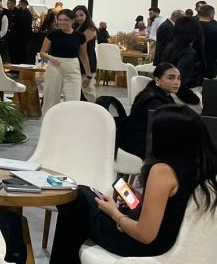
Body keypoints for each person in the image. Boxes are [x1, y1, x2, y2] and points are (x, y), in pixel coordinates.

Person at [50, 105, 217, 263]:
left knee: (77, 199)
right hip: (165, 242)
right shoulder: (201, 166)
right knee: (84, 196)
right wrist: (143, 202)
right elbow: (173, 209)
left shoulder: (163, 171)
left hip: (143, 247)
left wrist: (114, 213)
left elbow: (145, 234)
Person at [117, 63, 179, 159]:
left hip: (148, 140)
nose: (177, 82)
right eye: (171, 78)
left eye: (178, 78)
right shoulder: (153, 100)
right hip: (142, 146)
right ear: (157, 80)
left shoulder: (161, 95)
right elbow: (164, 126)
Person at [40, 9, 92, 114]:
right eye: (59, 20)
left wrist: (88, 75)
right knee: (50, 100)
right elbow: (42, 52)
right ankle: (48, 121)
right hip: (55, 67)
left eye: (65, 20)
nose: (62, 22)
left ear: (72, 21)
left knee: (73, 101)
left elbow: (84, 56)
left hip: (73, 68)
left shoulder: (80, 36)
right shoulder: (53, 34)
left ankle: (70, 122)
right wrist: (50, 58)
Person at [160, 16, 204, 105]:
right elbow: (180, 82)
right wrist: (195, 100)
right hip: (182, 97)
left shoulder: (170, 46)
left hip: (167, 94)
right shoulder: (188, 52)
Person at [73, 5, 98, 102]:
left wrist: (88, 74)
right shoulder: (76, 27)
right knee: (78, 91)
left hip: (87, 61)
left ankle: (94, 109)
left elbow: (79, 46)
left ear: (86, 15)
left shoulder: (90, 29)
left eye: (81, 15)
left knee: (88, 90)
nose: (79, 18)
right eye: (76, 16)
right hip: (77, 62)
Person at [10, 0, 34, 64]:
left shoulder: (23, 13)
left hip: (21, 36)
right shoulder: (28, 13)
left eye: (19, 4)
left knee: (20, 53)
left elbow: (18, 23)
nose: (18, 5)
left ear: (23, 4)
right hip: (25, 36)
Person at [196, 5, 217, 79]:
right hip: (209, 64)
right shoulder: (214, 29)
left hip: (191, 63)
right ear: (211, 14)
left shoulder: (191, 26)